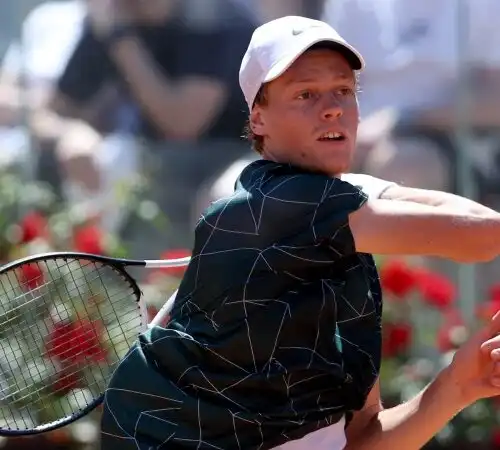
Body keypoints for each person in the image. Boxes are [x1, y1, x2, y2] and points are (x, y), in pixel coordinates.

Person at [100, 16, 500, 450]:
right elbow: (478, 236)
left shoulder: (341, 241)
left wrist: (456, 388)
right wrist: (365, 188)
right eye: (305, 94)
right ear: (258, 120)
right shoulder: (272, 207)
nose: (332, 107)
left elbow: (361, 439)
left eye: (344, 90)